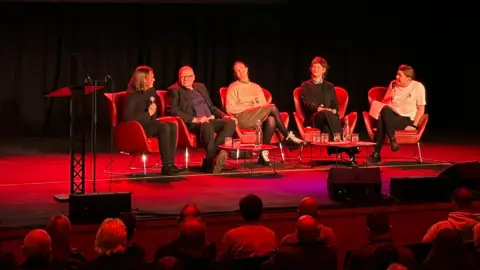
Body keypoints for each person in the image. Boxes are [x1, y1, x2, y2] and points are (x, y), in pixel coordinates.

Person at [226, 61, 306, 166]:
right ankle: (287, 135)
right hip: (242, 118)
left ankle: (263, 154)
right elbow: (229, 109)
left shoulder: (256, 87)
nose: (241, 71)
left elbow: (264, 106)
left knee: (271, 119)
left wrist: (257, 105)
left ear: (247, 69)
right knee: (272, 108)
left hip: (257, 117)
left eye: (242, 68)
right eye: (237, 70)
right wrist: (248, 106)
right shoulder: (233, 87)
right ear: (235, 74)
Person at [168, 66, 236, 173]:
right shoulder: (174, 90)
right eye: (182, 77)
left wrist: (224, 116)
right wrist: (195, 119)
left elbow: (212, 107)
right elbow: (173, 111)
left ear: (194, 77)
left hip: (209, 119)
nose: (185, 79)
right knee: (206, 125)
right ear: (179, 77)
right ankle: (211, 160)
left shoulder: (201, 87)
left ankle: (211, 158)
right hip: (195, 123)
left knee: (230, 123)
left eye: (188, 76)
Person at [299, 56, 359, 166]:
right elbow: (307, 104)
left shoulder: (329, 86)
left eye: (318, 67)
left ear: (324, 70)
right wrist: (321, 109)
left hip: (328, 118)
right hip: (314, 118)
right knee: (326, 113)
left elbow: (335, 105)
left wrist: (334, 111)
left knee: (328, 122)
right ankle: (349, 149)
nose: (315, 69)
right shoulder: (305, 85)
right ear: (311, 69)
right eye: (313, 67)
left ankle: (341, 151)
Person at [123, 66, 180, 175]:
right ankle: (166, 166)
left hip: (149, 124)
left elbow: (153, 115)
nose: (154, 80)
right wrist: (147, 113)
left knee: (172, 125)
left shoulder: (151, 91)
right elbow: (127, 118)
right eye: (152, 77)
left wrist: (153, 115)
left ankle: (170, 163)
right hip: (138, 127)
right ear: (144, 79)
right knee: (163, 127)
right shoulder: (132, 95)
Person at [367, 64, 426, 163]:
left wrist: (414, 125)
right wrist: (390, 95)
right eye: (396, 74)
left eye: (400, 75)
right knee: (384, 111)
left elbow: (421, 109)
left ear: (408, 78)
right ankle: (392, 139)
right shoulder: (393, 84)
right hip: (391, 115)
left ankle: (376, 154)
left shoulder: (418, 87)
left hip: (406, 118)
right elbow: (384, 103)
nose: (396, 77)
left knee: (382, 120)